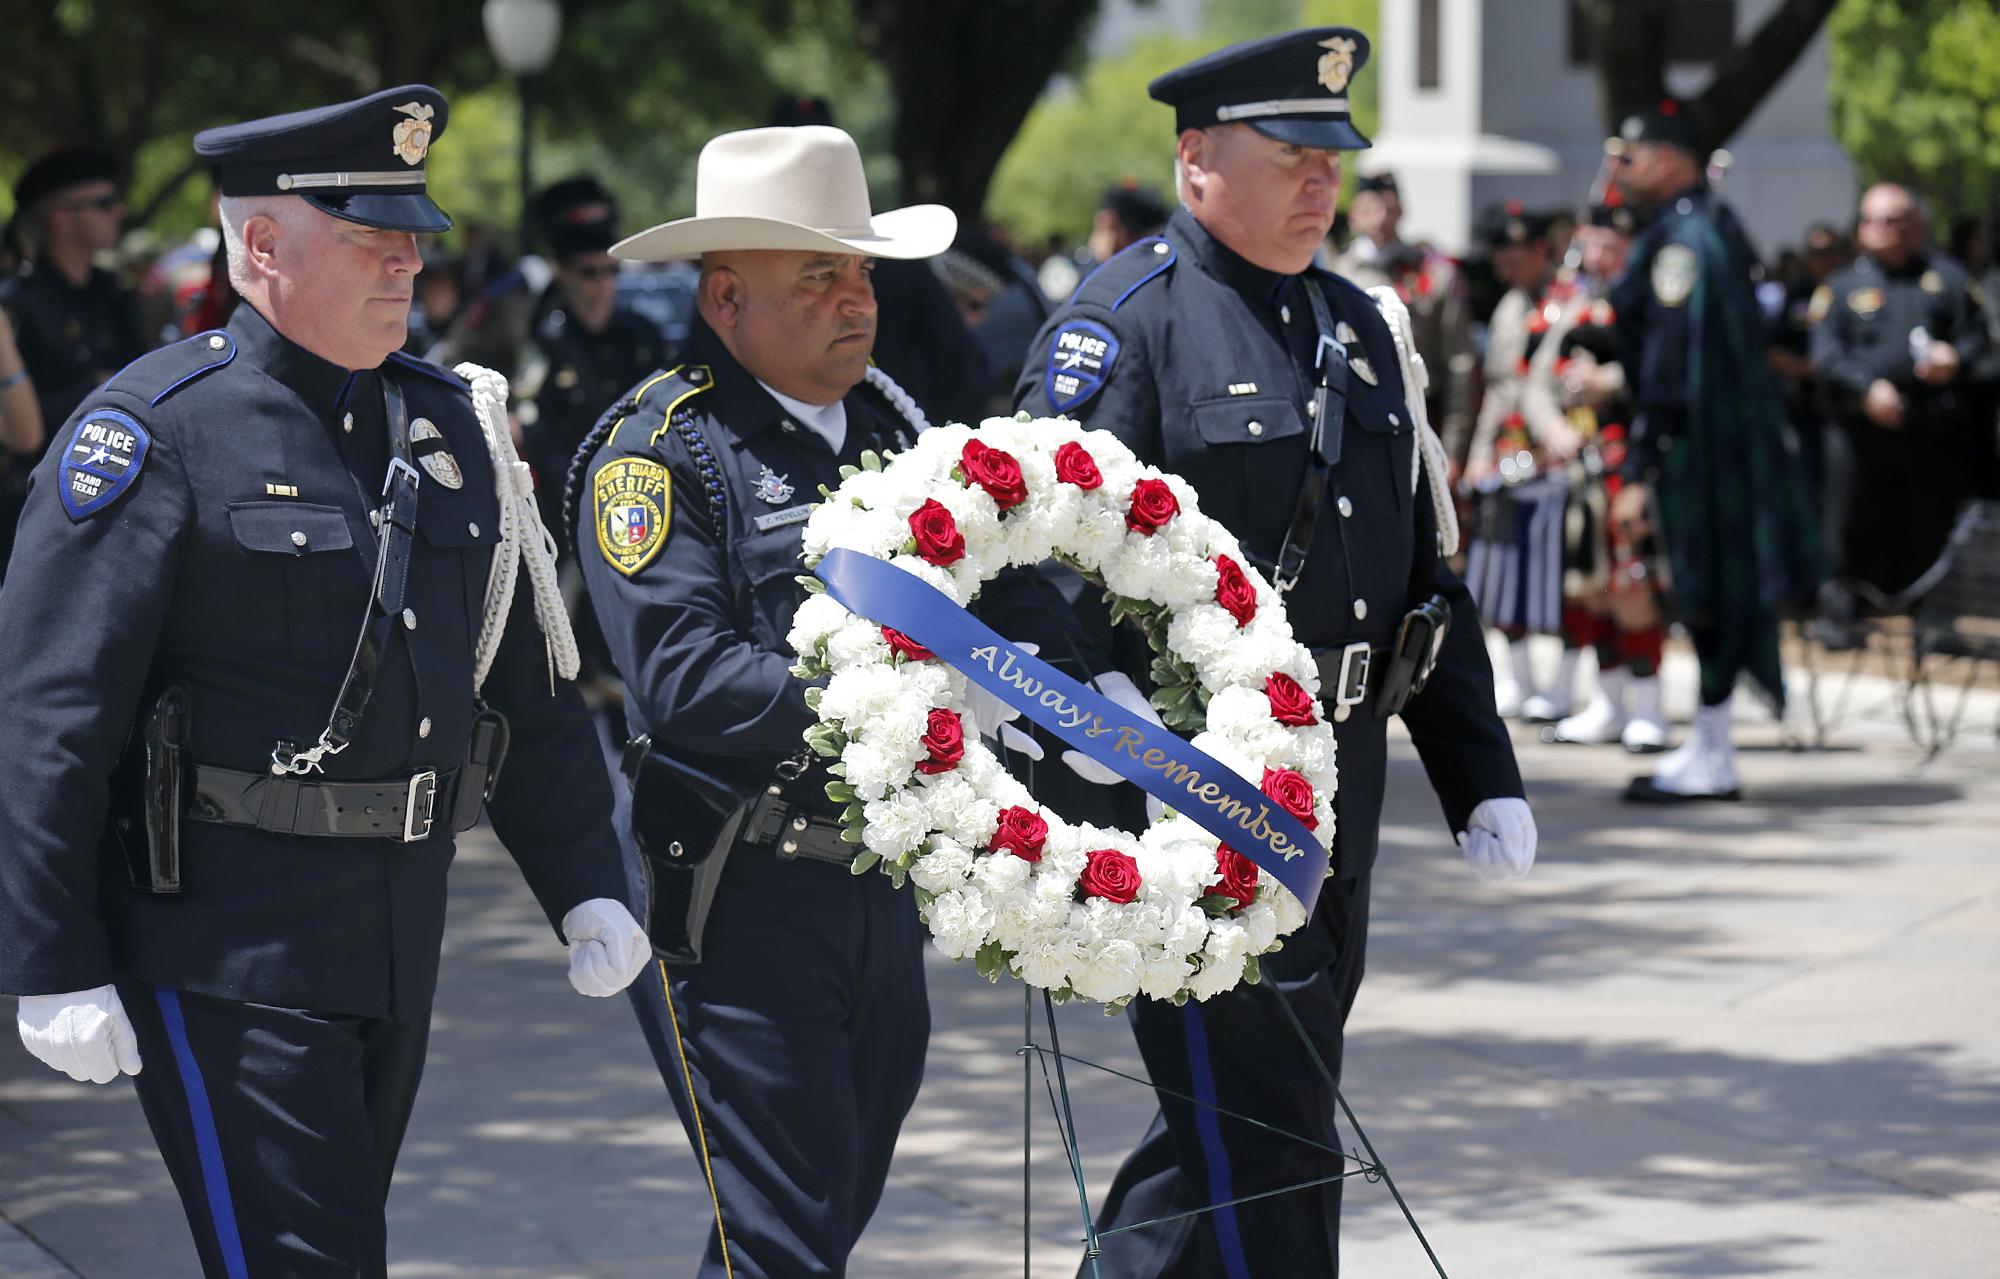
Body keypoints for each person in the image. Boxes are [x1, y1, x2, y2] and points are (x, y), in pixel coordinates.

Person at [0, 87, 649, 1278]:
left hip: (395, 922)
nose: (411, 257)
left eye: (411, 233)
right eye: (370, 236)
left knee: (333, 1246)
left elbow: (518, 677)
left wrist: (583, 880)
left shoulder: (448, 425)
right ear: (261, 246)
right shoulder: (156, 433)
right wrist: (50, 957)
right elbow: (51, 717)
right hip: (222, 939)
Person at [1013, 29, 1536, 1276]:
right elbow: (1030, 548)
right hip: (1200, 794)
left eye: (1331, 157)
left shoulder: (1355, 324)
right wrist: (1112, 736)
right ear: (1196, 159)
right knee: (1272, 1130)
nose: (1321, 180)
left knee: (1236, 1119)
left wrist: (1479, 769)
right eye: (1290, 152)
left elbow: (1418, 565)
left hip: (1340, 774)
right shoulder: (1122, 324)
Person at [571, 124, 954, 1278]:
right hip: (737, 892)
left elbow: (991, 596)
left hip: (877, 880)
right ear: (726, 297)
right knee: (783, 1228)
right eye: (818, 276)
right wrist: (909, 697)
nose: (856, 300)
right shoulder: (657, 455)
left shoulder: (895, 429)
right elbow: (684, 678)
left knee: (821, 1204)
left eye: (861, 272)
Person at [1607, 102, 1826, 802]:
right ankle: (1710, 742)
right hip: (1720, 444)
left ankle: (1713, 750)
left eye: (1631, 157)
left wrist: (1642, 464)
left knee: (1709, 592)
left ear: (1669, 160)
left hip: (1702, 453)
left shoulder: (1683, 241)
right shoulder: (1709, 226)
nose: (1621, 170)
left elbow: (1673, 362)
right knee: (1712, 591)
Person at [1809, 184, 1989, 608]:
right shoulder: (1841, 286)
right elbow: (1826, 355)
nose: (1882, 230)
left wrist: (1955, 359)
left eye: (1893, 221)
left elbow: (1978, 337)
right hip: (1859, 428)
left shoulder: (1947, 278)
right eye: (1872, 220)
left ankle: (1925, 611)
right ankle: (1842, 610)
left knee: (1927, 521)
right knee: (1849, 520)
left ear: (1915, 225)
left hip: (1927, 426)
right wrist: (1867, 388)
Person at [1539, 195, 1671, 751]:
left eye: (1609, 243)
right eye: (1591, 241)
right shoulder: (1574, 301)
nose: (1597, 252)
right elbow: (1539, 375)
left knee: (1631, 582)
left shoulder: (1653, 298)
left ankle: (1651, 709)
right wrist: (1552, 425)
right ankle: (1609, 704)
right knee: (1591, 587)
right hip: (1585, 465)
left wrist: (1611, 382)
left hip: (1633, 461)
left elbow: (1664, 371)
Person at [0, 148, 148, 580]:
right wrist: (96, 390)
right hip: (35, 506)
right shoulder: (15, 305)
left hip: (123, 499)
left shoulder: (116, 295)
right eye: (103, 203)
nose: (119, 213)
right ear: (60, 217)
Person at [1461, 205, 1578, 719]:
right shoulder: (1510, 307)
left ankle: (1562, 685)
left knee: (1565, 569)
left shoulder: (1572, 302)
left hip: (1562, 452)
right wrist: (1480, 455)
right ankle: (1518, 678)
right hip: (1511, 453)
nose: (1505, 266)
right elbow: (1498, 389)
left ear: (1539, 253)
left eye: (1515, 255)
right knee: (1502, 564)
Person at [517, 176, 670, 534]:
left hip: (636, 497)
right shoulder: (541, 341)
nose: (604, 285)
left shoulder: (642, 337)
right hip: (558, 508)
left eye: (612, 271)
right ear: (562, 273)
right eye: (589, 273)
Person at [1328, 171, 1477, 471]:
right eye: (1370, 208)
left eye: (1390, 208)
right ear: (1354, 214)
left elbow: (1460, 364)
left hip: (1419, 420)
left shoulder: (1435, 276)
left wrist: (1453, 449)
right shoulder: (1334, 275)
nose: (1381, 218)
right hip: (1351, 425)